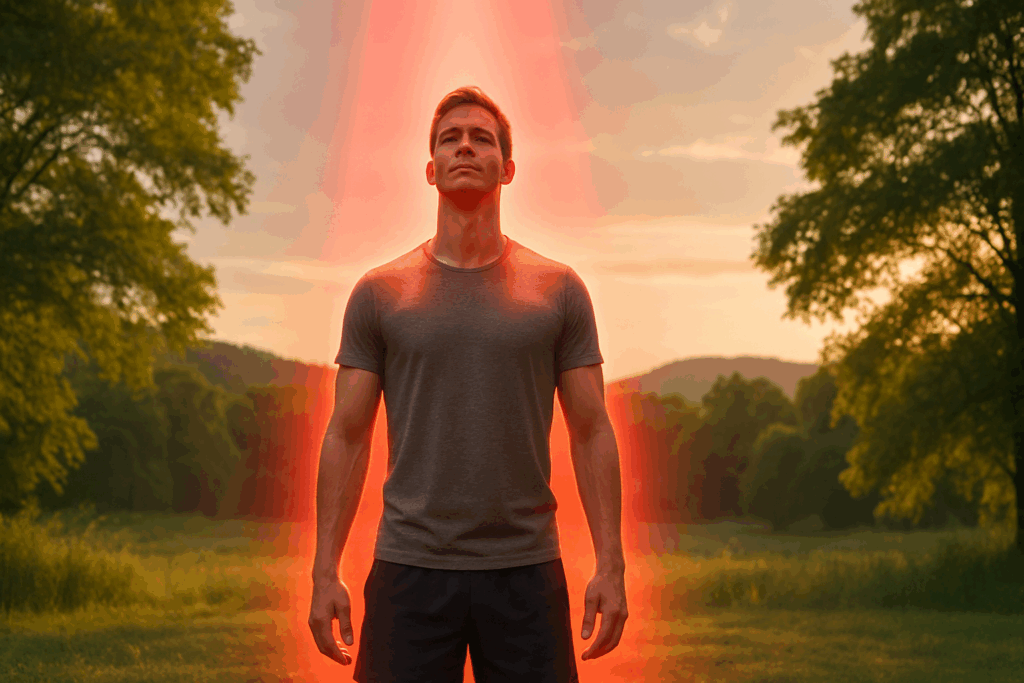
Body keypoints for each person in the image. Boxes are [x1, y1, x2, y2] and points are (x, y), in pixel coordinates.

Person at [308, 85, 628, 682]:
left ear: (507, 167)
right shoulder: (379, 292)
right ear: (429, 170)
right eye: (449, 138)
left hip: (527, 571)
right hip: (409, 569)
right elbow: (347, 436)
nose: (464, 146)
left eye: (482, 138)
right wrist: (325, 571)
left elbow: (591, 431)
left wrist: (612, 565)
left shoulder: (558, 290)